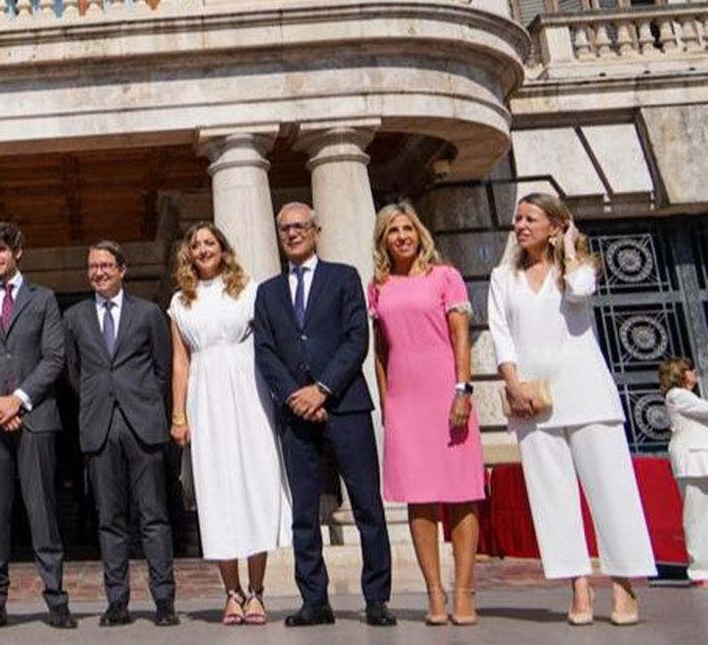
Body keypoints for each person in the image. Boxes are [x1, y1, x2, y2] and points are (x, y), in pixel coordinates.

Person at [490, 192, 655, 624]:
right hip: (534, 399)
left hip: (587, 396)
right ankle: (578, 587)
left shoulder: (577, 269)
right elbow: (501, 335)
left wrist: (568, 248)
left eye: (531, 218)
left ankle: (624, 587)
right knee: (551, 499)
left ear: (555, 224)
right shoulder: (501, 277)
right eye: (518, 218)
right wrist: (513, 385)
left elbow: (580, 294)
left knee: (611, 494)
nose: (521, 225)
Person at [253, 202, 394, 627]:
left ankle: (376, 599)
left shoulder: (343, 277)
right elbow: (265, 351)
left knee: (367, 503)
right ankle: (314, 599)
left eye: (300, 227)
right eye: (285, 229)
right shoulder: (268, 292)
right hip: (296, 413)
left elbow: (356, 339)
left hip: (345, 405)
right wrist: (296, 396)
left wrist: (323, 389)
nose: (293, 234)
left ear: (316, 230)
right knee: (304, 512)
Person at [367, 203, 484, 626]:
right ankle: (434, 591)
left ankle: (464, 590)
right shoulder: (378, 285)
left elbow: (460, 337)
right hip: (404, 397)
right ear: (383, 241)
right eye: (392, 231)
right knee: (419, 498)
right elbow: (380, 349)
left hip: (446, 389)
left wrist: (462, 390)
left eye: (407, 228)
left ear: (419, 233)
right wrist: (386, 401)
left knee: (460, 492)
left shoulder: (445, 276)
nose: (401, 236)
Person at [168, 222, 290, 626]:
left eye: (209, 242)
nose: (203, 249)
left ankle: (257, 591)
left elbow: (271, 342)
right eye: (196, 244)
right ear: (189, 253)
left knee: (255, 486)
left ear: (223, 247)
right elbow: (180, 361)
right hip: (206, 395)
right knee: (217, 492)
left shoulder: (250, 289)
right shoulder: (180, 301)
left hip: (249, 391)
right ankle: (231, 592)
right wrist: (179, 414)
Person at [0, 221, 74, 630]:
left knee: (43, 512)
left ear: (17, 252)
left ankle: (56, 599)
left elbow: (54, 358)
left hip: (34, 417)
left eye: (1, 250)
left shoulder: (44, 299)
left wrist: (18, 400)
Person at [63, 240, 179, 627]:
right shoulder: (75, 317)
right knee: (109, 519)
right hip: (99, 426)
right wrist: (101, 400)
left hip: (143, 424)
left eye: (106, 265)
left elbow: (163, 367)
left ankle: (164, 600)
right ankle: (117, 602)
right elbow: (75, 373)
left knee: (153, 517)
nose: (98, 272)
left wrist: (142, 401)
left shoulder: (147, 313)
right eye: (93, 266)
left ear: (122, 270)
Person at [660, 358, 708, 587]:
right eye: (690, 369)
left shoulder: (687, 396)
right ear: (680, 374)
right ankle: (699, 571)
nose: (694, 373)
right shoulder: (677, 395)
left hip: (701, 458)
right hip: (692, 460)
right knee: (696, 517)